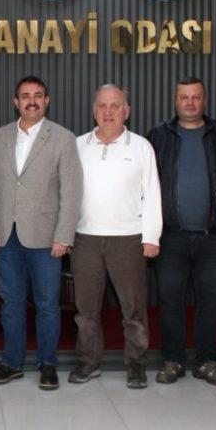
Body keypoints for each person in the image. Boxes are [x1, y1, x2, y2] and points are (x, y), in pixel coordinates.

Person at [0, 76, 83, 391]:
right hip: (6, 236)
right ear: (16, 102)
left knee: (47, 305)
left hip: (46, 238)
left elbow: (71, 192)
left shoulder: (63, 138)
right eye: (25, 96)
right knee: (11, 304)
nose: (31, 101)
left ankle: (47, 364)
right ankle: (12, 363)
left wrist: (64, 235)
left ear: (47, 101)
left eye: (38, 95)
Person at [147, 76, 216, 386]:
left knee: (210, 303)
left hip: (213, 237)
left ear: (204, 100)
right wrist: (149, 231)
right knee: (169, 302)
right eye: (184, 97)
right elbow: (146, 186)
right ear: (175, 101)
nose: (190, 102)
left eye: (196, 96)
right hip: (170, 237)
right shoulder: (159, 136)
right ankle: (172, 360)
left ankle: (206, 361)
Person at [69, 85, 161, 389]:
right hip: (85, 239)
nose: (108, 112)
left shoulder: (141, 147)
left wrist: (152, 237)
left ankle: (136, 364)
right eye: (102, 106)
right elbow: (65, 194)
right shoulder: (77, 146)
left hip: (129, 239)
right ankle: (88, 361)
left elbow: (152, 194)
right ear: (94, 110)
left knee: (133, 310)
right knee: (86, 310)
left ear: (126, 111)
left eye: (115, 106)